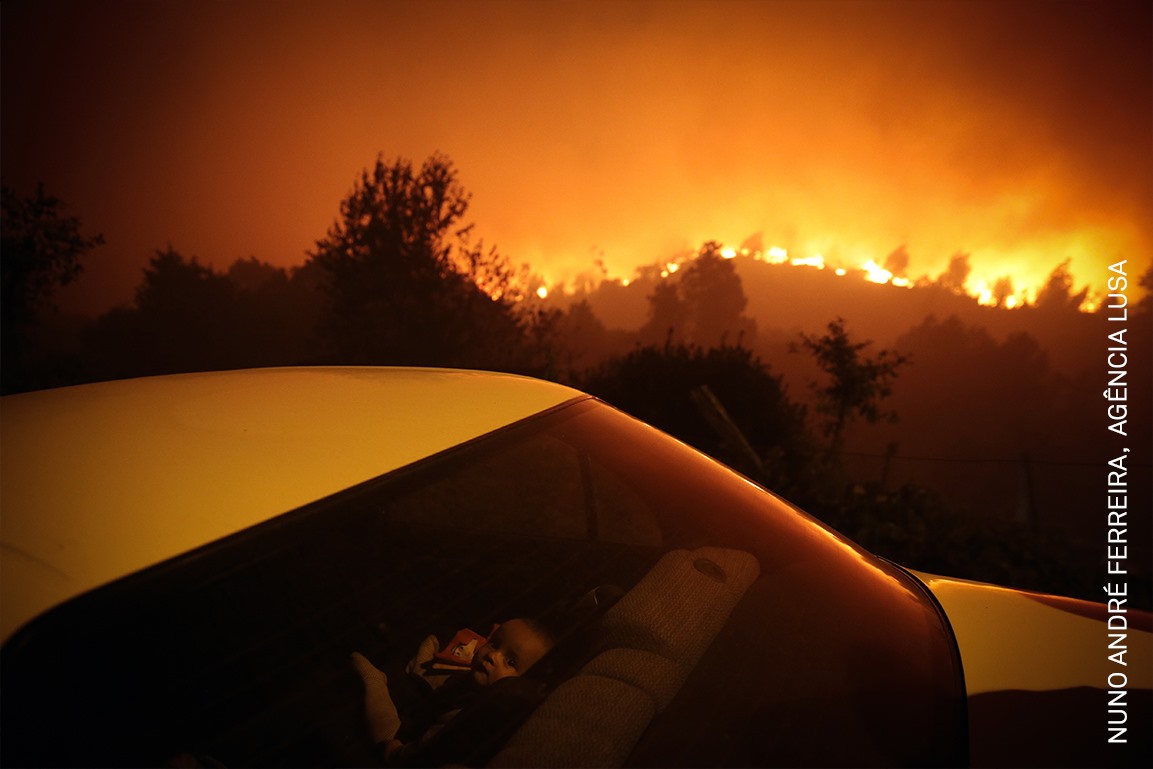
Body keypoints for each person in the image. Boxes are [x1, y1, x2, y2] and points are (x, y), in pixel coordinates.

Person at [351, 618, 554, 766]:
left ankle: (374, 681)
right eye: (495, 643)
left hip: (409, 755)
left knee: (385, 726)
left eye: (510, 662)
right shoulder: (470, 680)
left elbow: (427, 751)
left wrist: (397, 752)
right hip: (424, 721)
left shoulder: (471, 717)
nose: (493, 655)